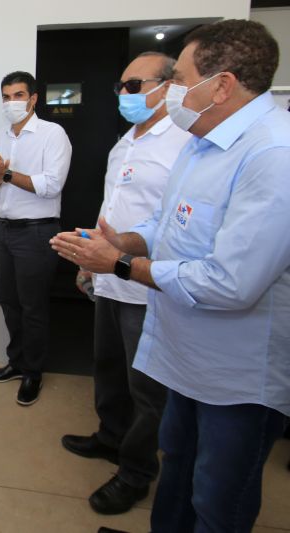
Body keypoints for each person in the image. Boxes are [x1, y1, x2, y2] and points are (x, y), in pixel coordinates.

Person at [51, 20, 290, 532]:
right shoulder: (202, 143)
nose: (176, 89)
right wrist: (118, 243)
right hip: (185, 351)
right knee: (178, 469)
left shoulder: (273, 155)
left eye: (180, 78)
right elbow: (163, 223)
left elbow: (230, 282)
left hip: (234, 377)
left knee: (216, 500)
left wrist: (118, 264)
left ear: (221, 85)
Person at [60, 52, 191, 515]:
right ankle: (110, 437)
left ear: (169, 85)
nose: (123, 95)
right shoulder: (125, 143)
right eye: (121, 86)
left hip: (147, 285)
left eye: (133, 86)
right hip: (110, 278)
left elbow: (175, 224)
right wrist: (90, 260)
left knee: (147, 387)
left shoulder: (182, 142)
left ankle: (136, 473)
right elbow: (111, 209)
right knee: (108, 365)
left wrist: (120, 258)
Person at [0, 71, 72, 406]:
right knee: (9, 301)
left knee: (33, 307)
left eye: (18, 96)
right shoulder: (1, 135)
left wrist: (4, 174)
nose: (11, 103)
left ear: (33, 99)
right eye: (6, 97)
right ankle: (16, 363)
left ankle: (33, 372)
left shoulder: (53, 134)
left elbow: (51, 185)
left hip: (36, 231)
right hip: (3, 229)